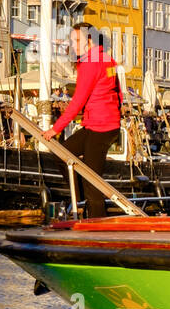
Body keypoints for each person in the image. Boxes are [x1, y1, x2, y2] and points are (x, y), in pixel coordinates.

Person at [39, 22, 123, 219]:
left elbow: (78, 100)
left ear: (90, 40)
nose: (74, 45)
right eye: (72, 41)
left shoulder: (91, 63)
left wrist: (55, 129)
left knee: (92, 181)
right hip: (100, 124)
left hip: (102, 126)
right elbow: (117, 91)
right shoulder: (107, 60)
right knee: (62, 154)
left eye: (77, 40)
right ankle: (80, 199)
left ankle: (96, 226)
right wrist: (117, 113)